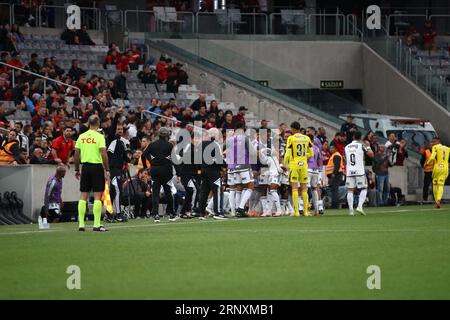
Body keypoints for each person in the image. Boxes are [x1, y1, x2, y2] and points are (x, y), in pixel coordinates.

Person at [74, 115, 110, 232]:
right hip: (96, 167)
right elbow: (104, 153)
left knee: (83, 195)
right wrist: (107, 169)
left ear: (88, 123)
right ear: (98, 124)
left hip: (85, 167)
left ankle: (81, 224)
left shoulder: (81, 136)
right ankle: (96, 224)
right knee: (97, 196)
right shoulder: (99, 137)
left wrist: (76, 169)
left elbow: (76, 154)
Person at [142, 127, 175, 222]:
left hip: (155, 170)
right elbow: (174, 160)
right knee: (168, 192)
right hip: (166, 171)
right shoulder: (169, 145)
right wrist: (178, 173)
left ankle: (155, 214)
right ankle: (171, 213)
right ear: (166, 136)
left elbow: (144, 155)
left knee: (155, 193)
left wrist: (148, 163)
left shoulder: (152, 145)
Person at [226, 122, 257, 217]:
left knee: (237, 188)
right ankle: (241, 207)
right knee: (251, 185)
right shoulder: (245, 138)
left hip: (233, 166)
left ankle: (234, 211)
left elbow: (225, 151)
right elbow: (252, 153)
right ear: (243, 128)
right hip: (244, 165)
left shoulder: (229, 139)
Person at [283, 121, 314, 217]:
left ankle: (296, 212)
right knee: (304, 188)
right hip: (304, 165)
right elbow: (312, 154)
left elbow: (288, 153)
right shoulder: (307, 138)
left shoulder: (291, 139)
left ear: (292, 129)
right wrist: (304, 155)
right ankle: (305, 211)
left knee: (295, 188)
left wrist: (285, 164)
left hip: (294, 165)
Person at [198, 128, 227, 220]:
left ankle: (201, 213)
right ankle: (217, 212)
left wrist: (200, 169)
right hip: (213, 171)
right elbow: (219, 159)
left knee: (204, 192)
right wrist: (225, 165)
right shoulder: (215, 145)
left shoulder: (201, 144)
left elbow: (197, 158)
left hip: (203, 170)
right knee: (217, 191)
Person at [344, 131, 374, 216]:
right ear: (360, 137)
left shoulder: (346, 147)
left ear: (353, 137)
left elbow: (345, 159)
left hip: (349, 171)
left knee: (350, 190)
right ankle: (360, 206)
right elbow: (371, 155)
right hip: (359, 170)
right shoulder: (362, 145)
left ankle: (350, 210)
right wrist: (368, 146)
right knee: (364, 188)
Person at [107, 123, 131, 222]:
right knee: (118, 191)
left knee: (113, 192)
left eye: (121, 129)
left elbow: (125, 157)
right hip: (114, 169)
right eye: (118, 129)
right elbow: (109, 153)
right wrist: (108, 169)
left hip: (118, 169)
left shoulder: (121, 142)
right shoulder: (112, 140)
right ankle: (118, 214)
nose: (120, 131)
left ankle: (108, 214)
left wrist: (131, 159)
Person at [426, 137, 449, 209]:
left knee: (435, 184)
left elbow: (432, 157)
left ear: (438, 141)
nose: (432, 144)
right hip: (445, 168)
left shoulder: (435, 147)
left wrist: (427, 163)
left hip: (437, 167)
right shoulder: (448, 148)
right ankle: (438, 200)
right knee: (441, 185)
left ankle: (437, 201)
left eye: (433, 142)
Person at [326, 144, 344, 209]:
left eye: (332, 148)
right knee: (334, 190)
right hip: (335, 175)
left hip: (336, 175)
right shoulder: (334, 155)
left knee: (335, 190)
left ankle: (335, 205)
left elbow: (337, 166)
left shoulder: (336, 155)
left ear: (335, 149)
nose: (330, 150)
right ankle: (335, 204)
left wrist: (334, 174)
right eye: (330, 148)